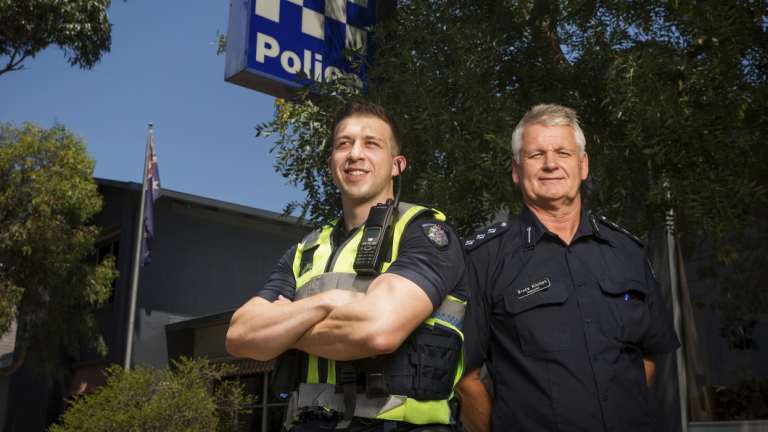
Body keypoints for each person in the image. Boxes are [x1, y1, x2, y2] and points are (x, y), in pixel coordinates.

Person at [226, 101, 467, 431]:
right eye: (344, 144)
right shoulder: (305, 251)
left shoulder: (423, 234)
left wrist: (284, 330)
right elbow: (240, 336)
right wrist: (329, 301)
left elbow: (378, 330)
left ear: (397, 164)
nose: (355, 154)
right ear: (331, 164)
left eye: (371, 143)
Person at [457, 104, 680, 432]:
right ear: (516, 170)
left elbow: (649, 357)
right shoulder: (485, 259)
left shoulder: (627, 252)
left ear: (583, 164)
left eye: (563, 152)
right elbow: (464, 376)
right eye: (535, 155)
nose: (550, 164)